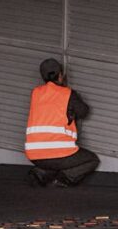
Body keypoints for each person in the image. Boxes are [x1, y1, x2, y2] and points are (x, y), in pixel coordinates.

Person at [25, 58, 99, 187]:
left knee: (52, 160)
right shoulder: (67, 94)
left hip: (34, 154)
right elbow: (83, 112)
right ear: (60, 75)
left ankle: (41, 172)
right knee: (91, 160)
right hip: (60, 152)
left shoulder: (35, 93)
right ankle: (63, 179)